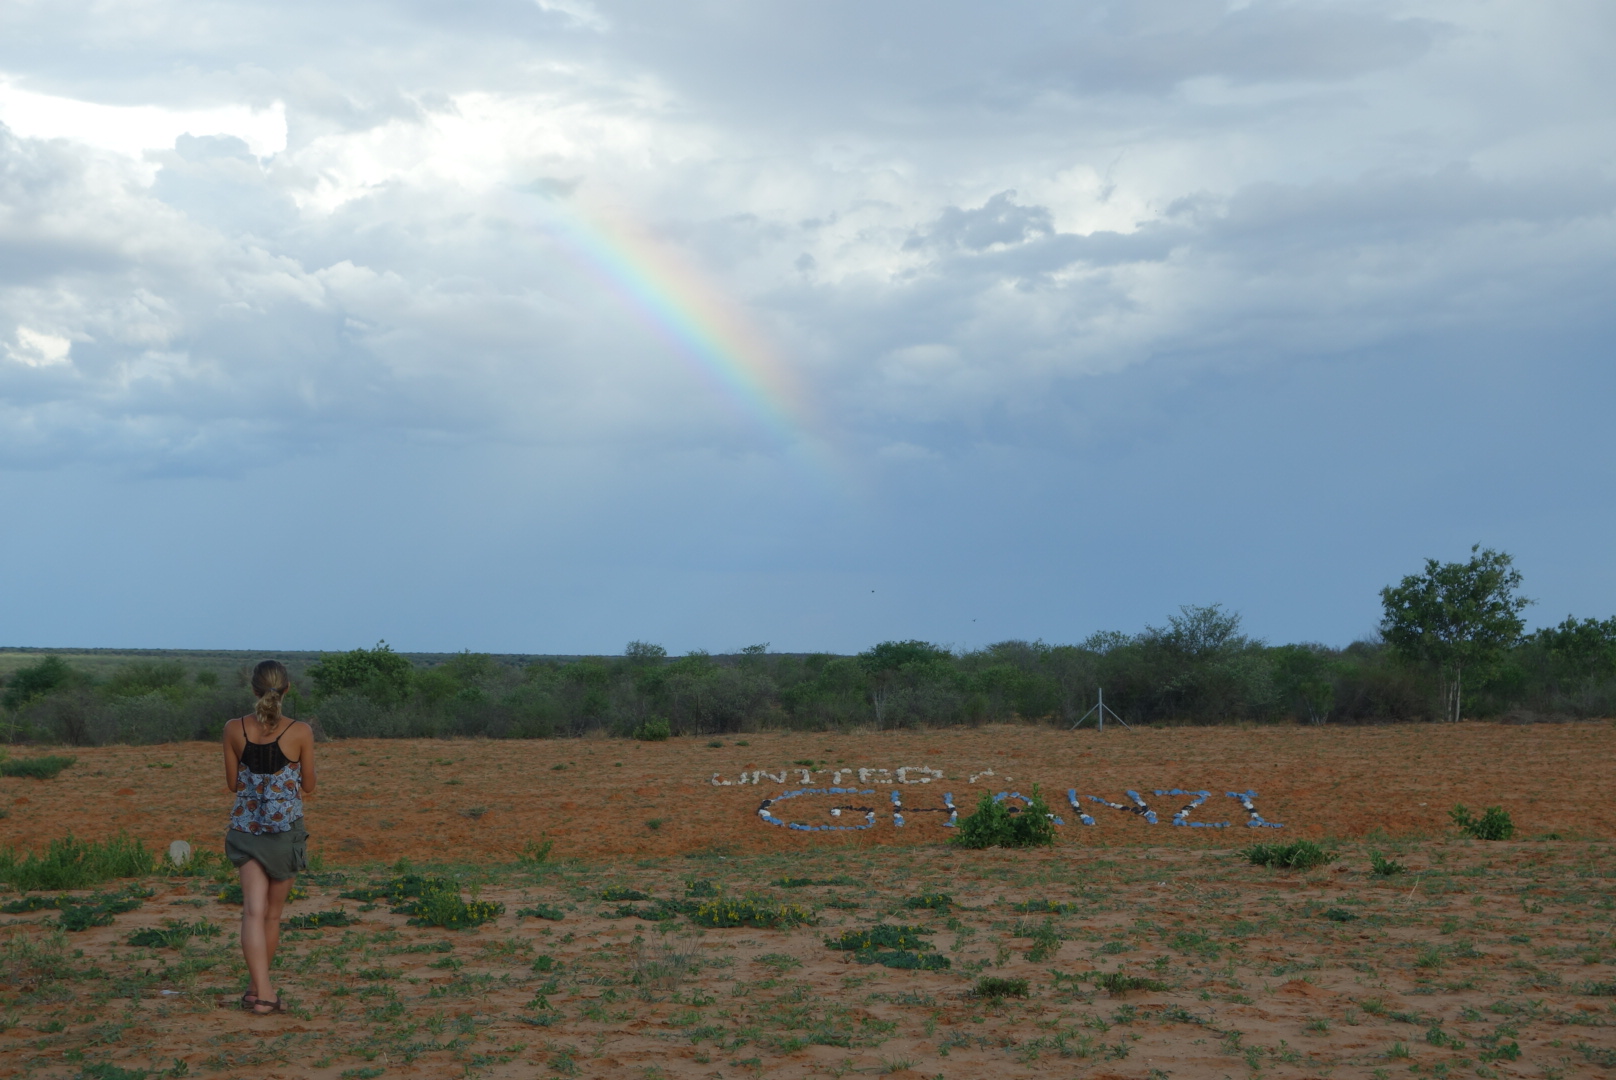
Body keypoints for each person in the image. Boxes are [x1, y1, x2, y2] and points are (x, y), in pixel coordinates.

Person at [221, 660, 317, 1015]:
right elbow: (308, 785)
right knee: (272, 916)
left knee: (252, 912)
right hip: (283, 835)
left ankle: (255, 989)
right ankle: (265, 996)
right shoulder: (301, 731)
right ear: (287, 689)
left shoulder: (233, 729)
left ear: (253, 690)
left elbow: (233, 784)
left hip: (245, 831)